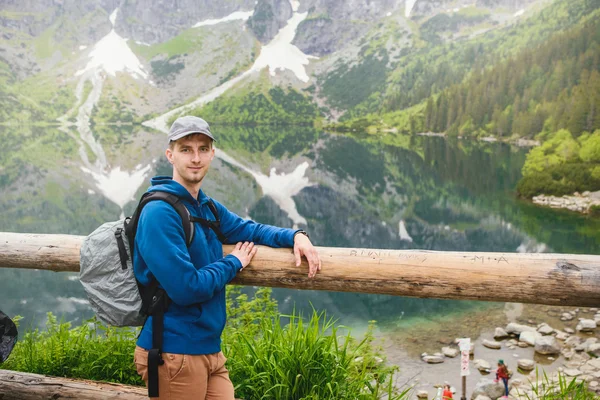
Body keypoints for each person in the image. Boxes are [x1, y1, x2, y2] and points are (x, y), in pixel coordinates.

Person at [132, 115, 322, 399]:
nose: (196, 158)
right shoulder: (159, 213)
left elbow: (249, 229)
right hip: (173, 351)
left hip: (208, 350)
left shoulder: (204, 205)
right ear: (170, 155)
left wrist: (295, 236)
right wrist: (234, 262)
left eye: (203, 148)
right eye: (186, 149)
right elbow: (186, 288)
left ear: (212, 153)